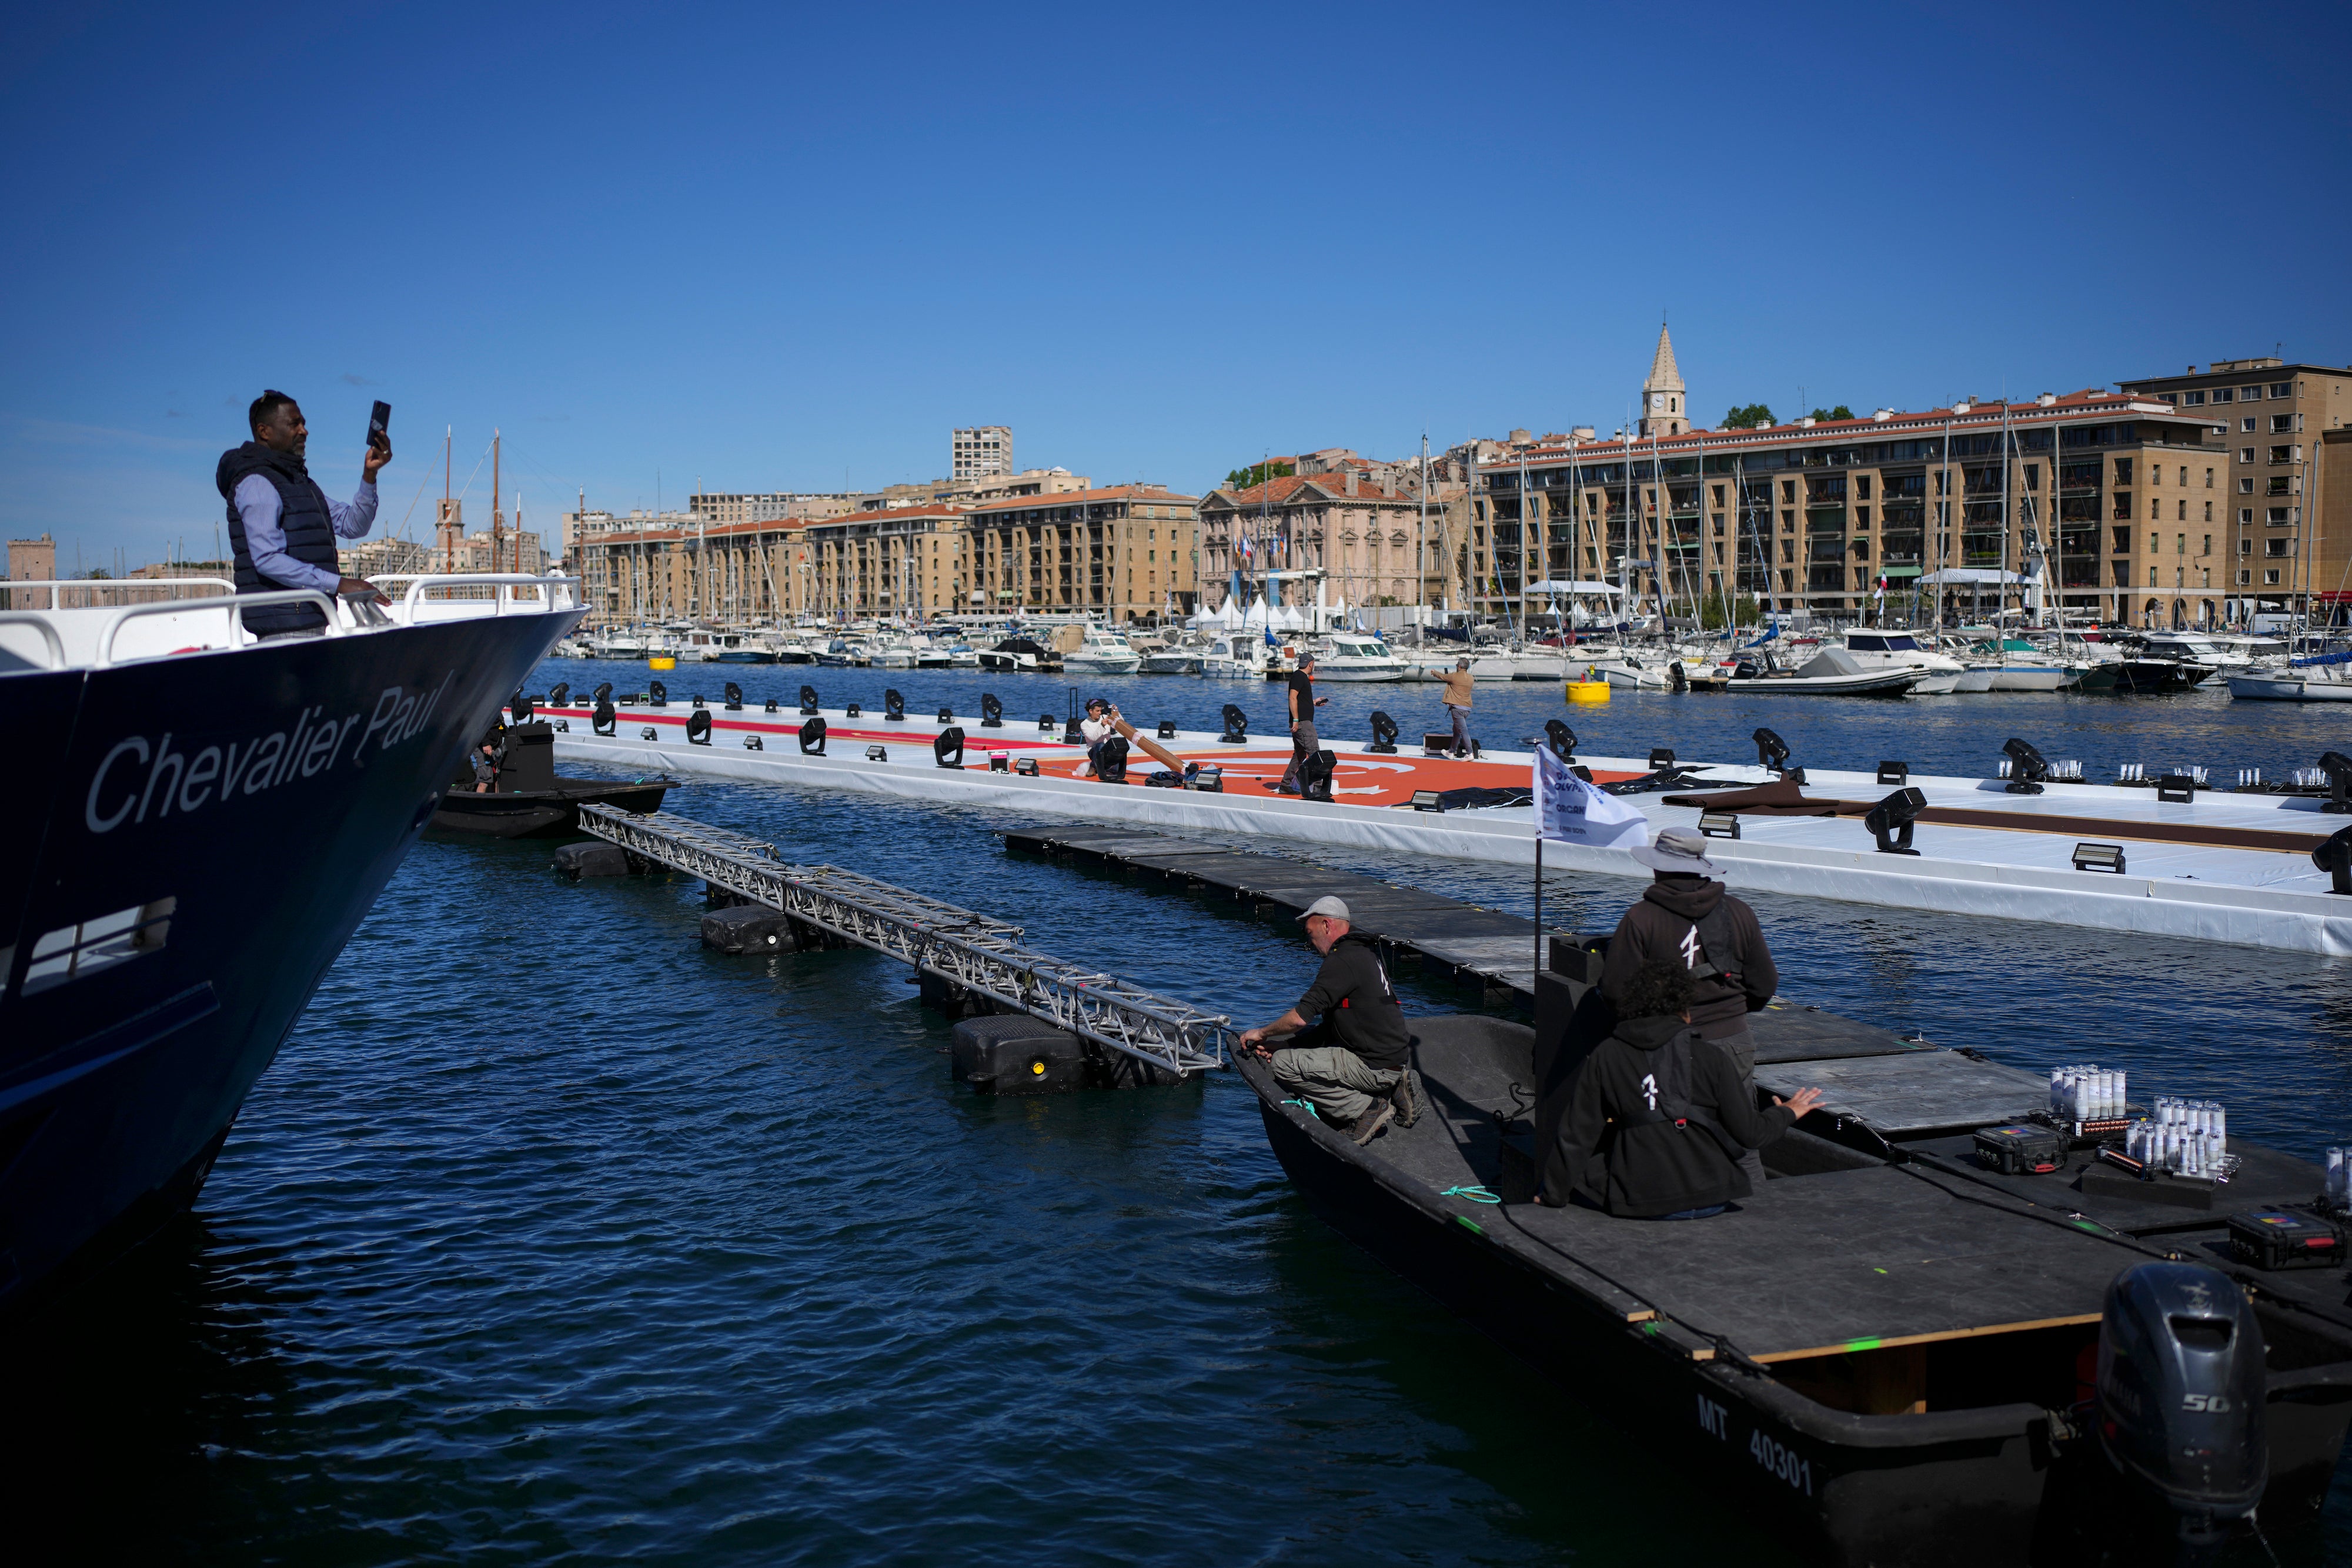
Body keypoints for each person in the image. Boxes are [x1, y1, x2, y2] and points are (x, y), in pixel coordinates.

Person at [1538, 959, 1822, 1218]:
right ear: (1685, 1007)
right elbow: (1751, 1134)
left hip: (1643, 1202)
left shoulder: (1608, 1055)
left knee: (1588, 1172)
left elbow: (1577, 1135)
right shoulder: (1711, 1057)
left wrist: (1553, 1195)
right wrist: (1786, 1113)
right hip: (1713, 1196)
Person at [1600, 824, 1780, 1182]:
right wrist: (1732, 1015)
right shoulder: (1739, 912)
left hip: (1664, 1045)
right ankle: (1760, 1214)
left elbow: (1615, 991)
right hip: (1732, 1041)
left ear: (1658, 867)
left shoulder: (1642, 918)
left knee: (1665, 1129)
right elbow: (1765, 984)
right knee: (1740, 1134)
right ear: (1701, 866)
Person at [1238, 895, 1414, 1145]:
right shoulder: (1365, 956)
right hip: (1392, 1057)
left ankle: (1366, 1108)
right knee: (1298, 1044)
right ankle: (1393, 1087)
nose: (1309, 942)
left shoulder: (1340, 960)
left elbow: (1299, 1018)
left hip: (1373, 1065)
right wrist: (1286, 1043)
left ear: (1327, 926)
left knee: (1282, 1065)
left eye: (1309, 933)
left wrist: (1263, 1034)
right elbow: (1328, 1029)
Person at [216, 389, 391, 637]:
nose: (304, 431)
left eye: (304, 423)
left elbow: (354, 526)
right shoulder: (257, 482)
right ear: (264, 431)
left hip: (307, 620)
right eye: (294, 424)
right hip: (285, 626)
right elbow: (267, 558)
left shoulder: (299, 485)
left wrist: (370, 475)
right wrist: (341, 584)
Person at [1272, 650, 1328, 794]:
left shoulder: (1299, 677)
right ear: (1311, 664)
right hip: (1303, 723)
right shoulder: (1300, 677)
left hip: (1301, 722)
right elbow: (1292, 698)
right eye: (1313, 664)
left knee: (1299, 755)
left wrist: (1313, 702)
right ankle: (1317, 788)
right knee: (1315, 754)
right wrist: (1296, 720)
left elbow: (1299, 700)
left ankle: (1285, 784)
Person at [1438, 656, 1475, 757]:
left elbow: (1442, 677)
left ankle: (1470, 753)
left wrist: (1433, 672)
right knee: (1456, 730)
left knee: (1463, 731)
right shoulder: (1471, 678)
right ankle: (1451, 752)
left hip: (1457, 710)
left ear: (1459, 666)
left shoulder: (1455, 676)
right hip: (1467, 709)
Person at [1079, 698, 1117, 777]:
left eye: (1100, 711)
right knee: (1101, 745)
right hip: (1094, 751)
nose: (1100, 713)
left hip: (1108, 750)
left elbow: (1120, 725)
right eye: (1097, 711)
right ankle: (1093, 767)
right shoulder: (1084, 724)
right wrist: (1102, 726)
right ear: (1091, 711)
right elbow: (1093, 738)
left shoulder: (1105, 717)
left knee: (1120, 746)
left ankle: (1109, 769)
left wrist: (1116, 713)